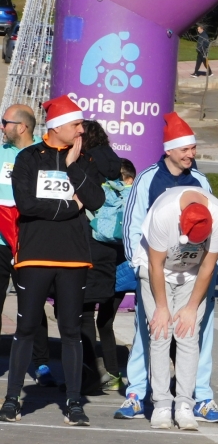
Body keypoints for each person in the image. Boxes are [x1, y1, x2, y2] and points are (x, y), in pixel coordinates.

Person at [115, 112, 218, 423]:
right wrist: (138, 265)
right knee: (151, 331)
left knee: (196, 332)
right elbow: (133, 224)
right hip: (153, 265)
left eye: (193, 148)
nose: (191, 153)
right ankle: (138, 392)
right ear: (169, 150)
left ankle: (200, 396)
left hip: (194, 270)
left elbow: (210, 233)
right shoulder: (149, 178)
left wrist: (209, 270)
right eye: (185, 148)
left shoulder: (201, 181)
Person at [0, 95, 105, 426]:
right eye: (76, 125)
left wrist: (73, 167)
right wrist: (70, 208)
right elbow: (27, 205)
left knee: (71, 329)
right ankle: (13, 399)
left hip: (73, 258)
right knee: (27, 327)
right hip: (35, 255)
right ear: (58, 127)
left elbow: (97, 200)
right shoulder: (29, 158)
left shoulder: (82, 160)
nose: (81, 130)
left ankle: (74, 403)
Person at [134, 186, 218, 429]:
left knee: (187, 333)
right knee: (160, 331)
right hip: (156, 270)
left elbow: (207, 267)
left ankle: (185, 403)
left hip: (192, 274)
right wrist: (162, 308)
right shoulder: (164, 213)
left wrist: (191, 307)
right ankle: (162, 404)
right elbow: (156, 265)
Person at [0, 104, 57, 387]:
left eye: (5, 122)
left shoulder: (41, 155)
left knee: (32, 305)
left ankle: (41, 361)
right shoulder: (1, 153)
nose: (1, 127)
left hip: (30, 241)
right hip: (0, 243)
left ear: (22, 127)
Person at [79, 120, 130, 393]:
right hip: (115, 250)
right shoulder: (116, 166)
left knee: (84, 314)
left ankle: (89, 377)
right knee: (106, 320)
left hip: (90, 245)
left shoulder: (85, 163)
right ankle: (112, 374)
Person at [97, 158, 136, 391]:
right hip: (129, 268)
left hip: (120, 267)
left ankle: (114, 374)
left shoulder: (122, 197)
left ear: (129, 179)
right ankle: (116, 374)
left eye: (118, 178)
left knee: (104, 321)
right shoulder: (139, 197)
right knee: (105, 320)